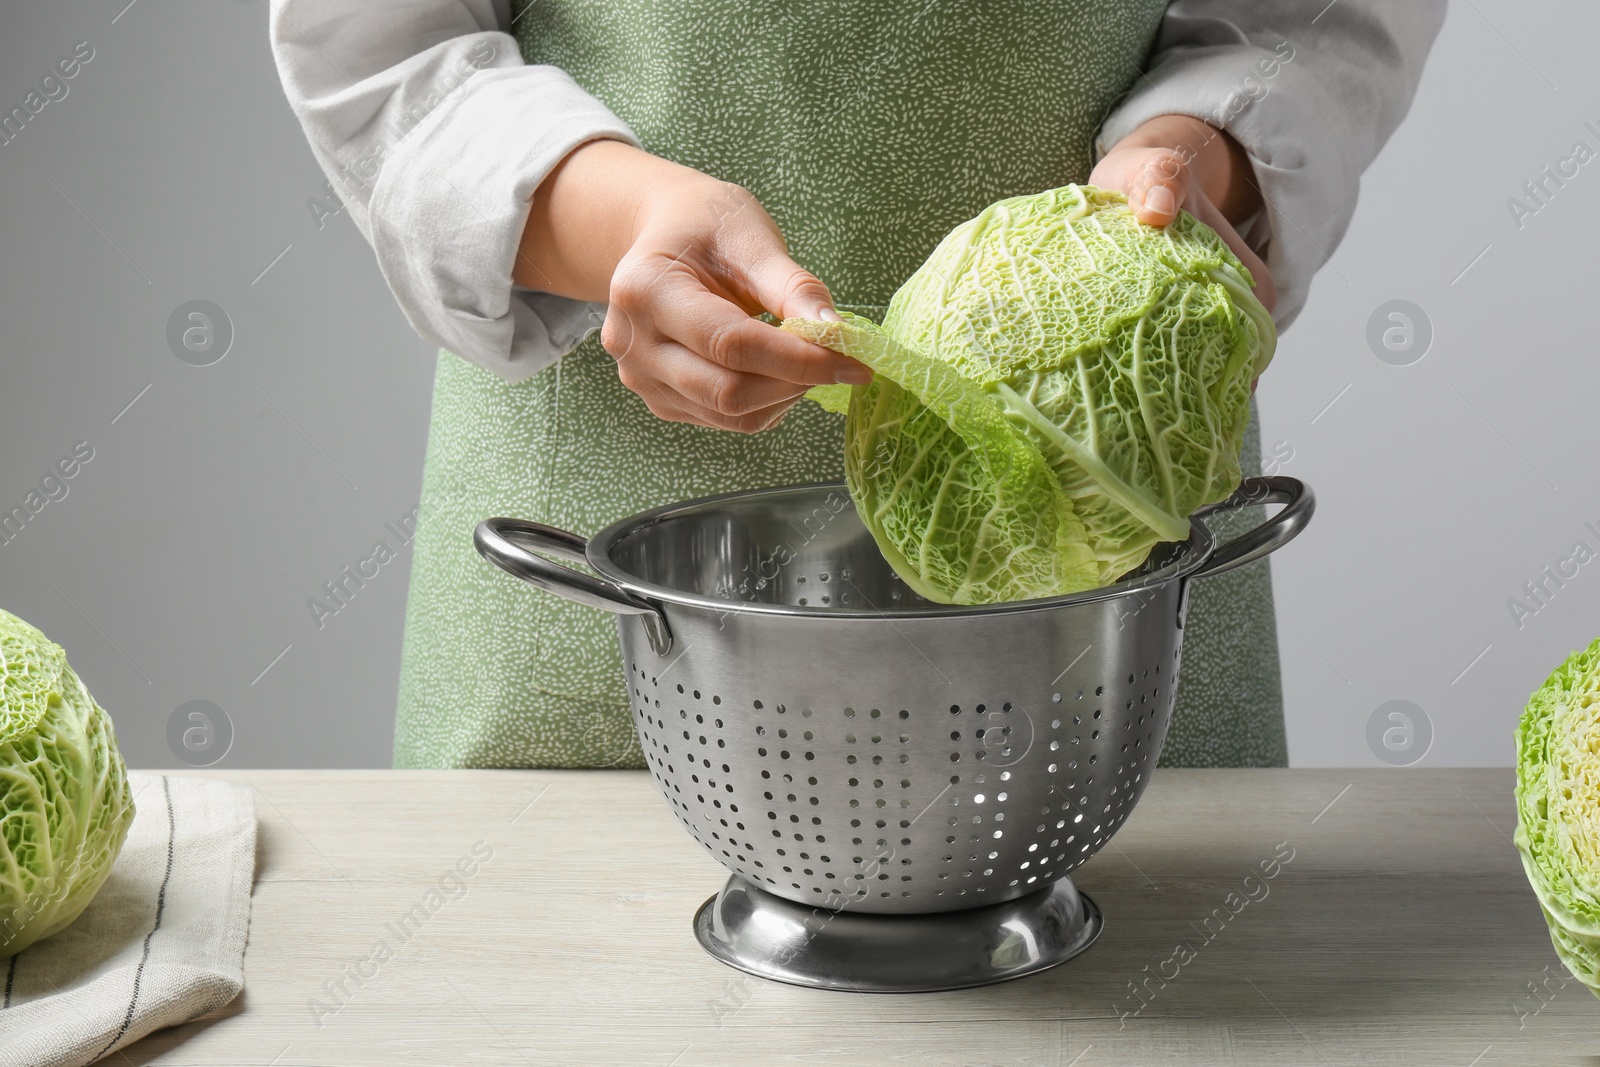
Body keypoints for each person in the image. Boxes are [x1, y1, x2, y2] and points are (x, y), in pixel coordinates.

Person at [271, 0, 1444, 770]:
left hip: (1113, 615)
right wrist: (620, 222)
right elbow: (387, 57)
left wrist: (1207, 143)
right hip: (596, 612)